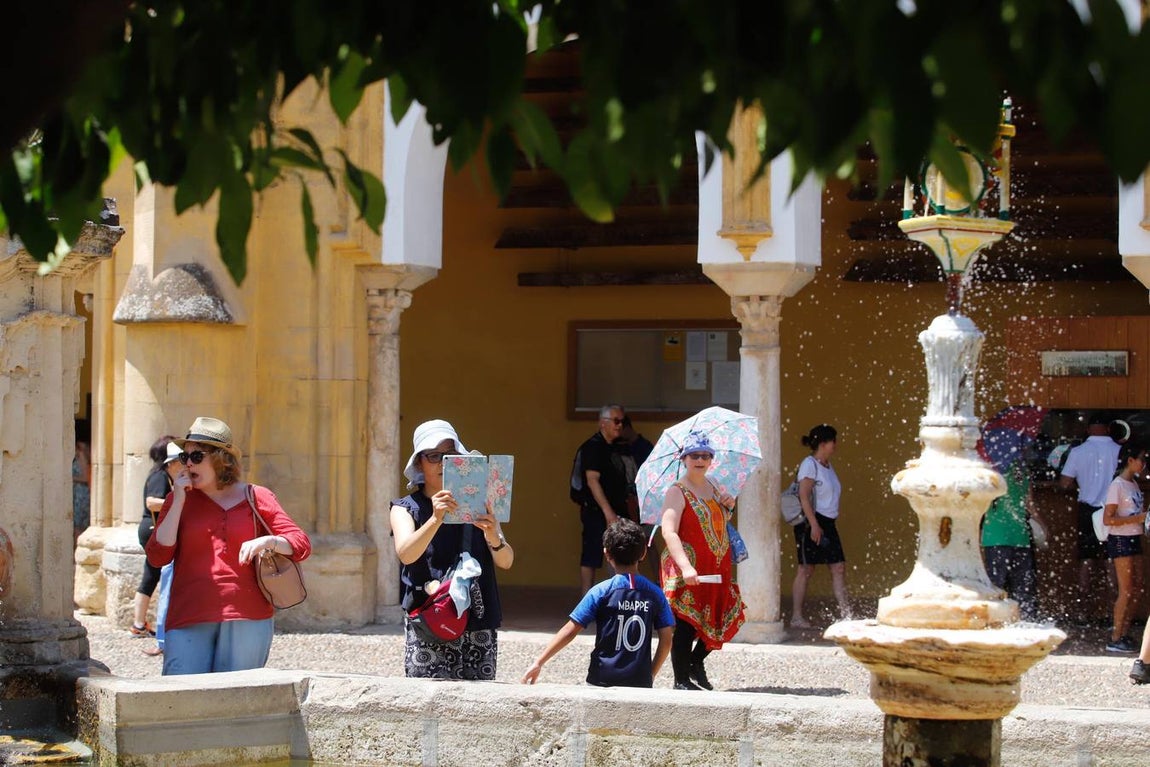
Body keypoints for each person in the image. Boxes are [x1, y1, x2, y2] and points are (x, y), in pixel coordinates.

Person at [146, 416, 311, 675]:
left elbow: (301, 544)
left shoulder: (257, 496)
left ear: (221, 459)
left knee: (238, 702)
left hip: (248, 614)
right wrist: (177, 499)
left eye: (197, 456)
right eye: (184, 457)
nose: (188, 464)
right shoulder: (178, 500)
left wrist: (269, 541)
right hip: (190, 613)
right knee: (183, 703)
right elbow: (158, 556)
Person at [390, 419, 513, 680]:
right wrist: (435, 518)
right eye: (435, 456)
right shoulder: (405, 508)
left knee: (479, 708)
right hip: (431, 617)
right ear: (419, 463)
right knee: (427, 708)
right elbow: (406, 553)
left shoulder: (480, 503)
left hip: (477, 617)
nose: (443, 463)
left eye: (450, 455)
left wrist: (493, 535)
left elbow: (506, 560)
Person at [522, 518, 673, 687]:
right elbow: (666, 641)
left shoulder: (601, 591)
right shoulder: (655, 594)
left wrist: (539, 662)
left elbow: (570, 631)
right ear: (644, 553)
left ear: (607, 554)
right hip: (639, 682)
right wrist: (650, 675)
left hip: (601, 679)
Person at [659, 431, 745, 690]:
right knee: (687, 624)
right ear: (684, 458)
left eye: (706, 455)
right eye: (695, 455)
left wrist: (728, 507)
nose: (701, 460)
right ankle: (681, 680)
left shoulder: (714, 485)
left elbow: (716, 522)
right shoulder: (677, 491)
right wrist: (685, 567)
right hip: (690, 566)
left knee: (720, 619)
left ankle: (696, 662)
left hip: (716, 565)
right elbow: (669, 531)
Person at [1059, 412, 1121, 620]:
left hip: (1088, 511)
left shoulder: (1078, 451)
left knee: (1086, 560)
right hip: (1113, 511)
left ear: (1088, 429)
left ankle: (1082, 613)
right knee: (1112, 561)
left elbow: (1065, 483)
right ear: (1108, 428)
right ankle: (1112, 614)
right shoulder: (1118, 450)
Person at [790, 424, 851, 629]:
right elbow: (804, 496)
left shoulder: (827, 465)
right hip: (811, 522)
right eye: (833, 441)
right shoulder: (809, 464)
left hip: (828, 522)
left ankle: (845, 614)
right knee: (806, 569)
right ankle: (796, 617)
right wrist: (814, 525)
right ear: (824, 443)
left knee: (838, 567)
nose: (836, 445)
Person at [575, 404, 639, 594]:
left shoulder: (618, 447)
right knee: (592, 555)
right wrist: (608, 512)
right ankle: (586, 601)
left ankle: (620, 595)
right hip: (596, 511)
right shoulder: (593, 447)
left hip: (618, 510)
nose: (620, 426)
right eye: (616, 421)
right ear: (603, 423)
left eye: (622, 421)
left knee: (621, 551)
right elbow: (592, 480)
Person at [981, 457, 1047, 621]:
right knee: (1023, 587)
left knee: (996, 585)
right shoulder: (1023, 472)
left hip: (994, 537)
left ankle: (995, 621)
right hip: (1020, 536)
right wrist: (1044, 527)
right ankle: (1025, 621)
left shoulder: (991, 473)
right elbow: (1030, 504)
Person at [1101, 442, 1148, 654]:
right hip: (1120, 540)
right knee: (1126, 590)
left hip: (1135, 537)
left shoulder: (1134, 485)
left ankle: (1125, 632)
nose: (1144, 464)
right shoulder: (1117, 485)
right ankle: (1115, 636)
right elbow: (1108, 518)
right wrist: (1138, 518)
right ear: (1130, 461)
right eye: (1142, 459)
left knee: (1137, 588)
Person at [130, 436, 178, 642]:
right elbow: (151, 502)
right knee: (157, 575)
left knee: (151, 575)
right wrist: (178, 500)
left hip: (152, 529)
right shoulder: (160, 476)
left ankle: (139, 623)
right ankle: (143, 624)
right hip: (152, 529)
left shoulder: (162, 475)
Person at [72, 419, 92, 545]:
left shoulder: (81, 453)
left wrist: (72, 479)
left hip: (81, 494)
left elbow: (85, 476)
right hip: (77, 494)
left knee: (78, 526)